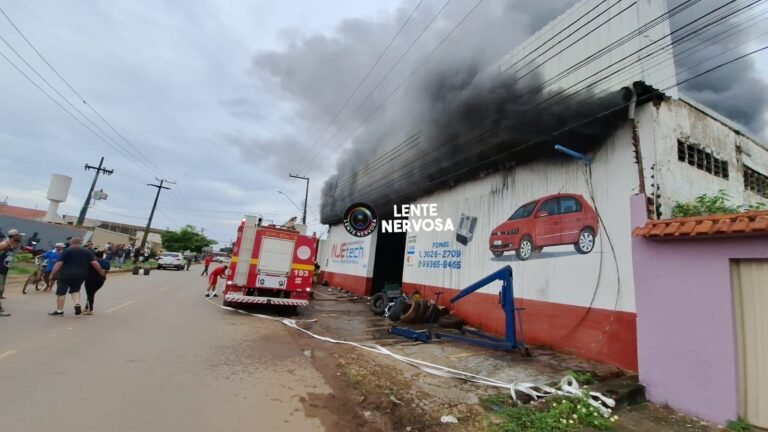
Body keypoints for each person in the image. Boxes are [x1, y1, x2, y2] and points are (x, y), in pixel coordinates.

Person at [48, 238, 105, 317]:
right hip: (81, 275)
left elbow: (58, 264)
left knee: (61, 293)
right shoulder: (87, 252)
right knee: (75, 290)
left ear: (71, 242)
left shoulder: (66, 251)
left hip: (65, 274)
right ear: (80, 243)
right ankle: (77, 303)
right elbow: (95, 263)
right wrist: (101, 272)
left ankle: (59, 311)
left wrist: (52, 274)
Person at [0, 229, 25, 316]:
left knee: (1, 289)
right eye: (18, 235)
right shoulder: (4, 244)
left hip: (5, 268)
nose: (20, 237)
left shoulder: (15, 244)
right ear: (14, 236)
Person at [83, 251, 110, 315]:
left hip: (91, 279)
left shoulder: (92, 262)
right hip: (101, 280)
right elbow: (107, 270)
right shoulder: (107, 262)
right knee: (91, 293)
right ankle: (87, 307)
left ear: (94, 256)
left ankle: (90, 309)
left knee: (90, 294)